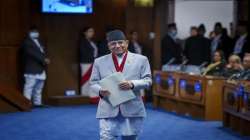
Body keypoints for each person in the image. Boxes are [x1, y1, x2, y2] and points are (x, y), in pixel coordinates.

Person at [89, 30, 152, 140]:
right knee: (106, 137)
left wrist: (132, 84)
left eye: (120, 42)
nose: (117, 46)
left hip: (132, 107)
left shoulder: (141, 60)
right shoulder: (99, 62)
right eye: (113, 43)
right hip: (108, 106)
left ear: (127, 43)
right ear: (108, 45)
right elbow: (93, 83)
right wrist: (100, 91)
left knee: (130, 138)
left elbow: (148, 81)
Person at [20, 26, 50, 107]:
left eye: (37, 31)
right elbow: (32, 53)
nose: (36, 33)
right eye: (33, 31)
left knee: (39, 87)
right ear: (29, 32)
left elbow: (42, 52)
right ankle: (26, 103)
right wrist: (44, 60)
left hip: (40, 68)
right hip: (31, 67)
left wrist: (45, 58)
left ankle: (37, 103)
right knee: (29, 86)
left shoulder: (39, 41)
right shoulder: (26, 42)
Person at [79, 26, 99, 103]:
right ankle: (84, 96)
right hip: (86, 63)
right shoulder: (82, 41)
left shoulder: (92, 42)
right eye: (90, 31)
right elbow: (84, 53)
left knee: (92, 80)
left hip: (93, 63)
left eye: (92, 31)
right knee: (86, 79)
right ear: (85, 33)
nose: (92, 33)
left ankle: (92, 95)